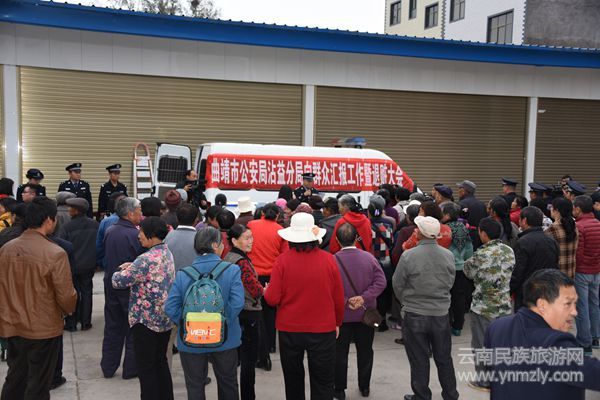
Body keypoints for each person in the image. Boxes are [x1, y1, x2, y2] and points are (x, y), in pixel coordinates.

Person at [0, 197, 77, 400]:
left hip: (13, 324)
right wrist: (69, 308)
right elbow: (66, 296)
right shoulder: (55, 253)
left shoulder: (7, 249)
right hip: (43, 327)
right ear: (49, 220)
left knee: (15, 377)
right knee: (39, 383)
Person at [264, 212, 345, 400]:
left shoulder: (282, 261)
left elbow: (272, 299)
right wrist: (337, 322)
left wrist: (267, 291)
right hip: (323, 328)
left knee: (293, 380)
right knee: (323, 381)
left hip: (290, 329)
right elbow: (338, 297)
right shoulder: (329, 260)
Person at [485, 269, 600, 399]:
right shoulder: (556, 344)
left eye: (575, 304)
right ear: (542, 305)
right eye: (568, 304)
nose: (574, 312)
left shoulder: (496, 327)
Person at [165, 227, 244, 400]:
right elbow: (238, 302)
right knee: (228, 384)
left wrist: (189, 322)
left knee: (195, 386)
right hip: (225, 339)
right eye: (221, 243)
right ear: (215, 245)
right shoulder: (231, 270)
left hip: (191, 339)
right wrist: (220, 322)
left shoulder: (183, 274)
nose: (223, 246)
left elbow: (170, 307)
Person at [392, 216, 459, 400]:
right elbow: (450, 281)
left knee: (419, 359)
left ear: (420, 233)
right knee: (444, 358)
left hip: (414, 312)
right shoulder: (448, 255)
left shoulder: (408, 256)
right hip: (440, 313)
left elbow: (397, 284)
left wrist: (406, 301)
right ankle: (451, 395)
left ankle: (421, 395)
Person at [112, 217, 175, 400]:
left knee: (146, 368)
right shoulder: (166, 252)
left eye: (141, 231)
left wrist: (120, 270)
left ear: (151, 235)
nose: (138, 235)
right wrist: (133, 266)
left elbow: (118, 281)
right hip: (165, 318)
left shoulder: (145, 259)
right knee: (160, 362)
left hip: (145, 321)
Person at [333, 223, 386, 399]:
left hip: (341, 316)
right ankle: (364, 386)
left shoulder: (332, 260)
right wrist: (364, 298)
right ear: (356, 238)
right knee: (365, 351)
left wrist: (346, 301)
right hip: (366, 314)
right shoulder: (369, 258)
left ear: (337, 239)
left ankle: (339, 389)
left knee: (340, 353)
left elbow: (328, 288)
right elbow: (381, 282)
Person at [462, 217, 515, 392]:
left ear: (483, 234)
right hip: (504, 305)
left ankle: (484, 381)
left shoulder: (481, 254)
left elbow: (468, 272)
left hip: (483, 307)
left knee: (481, 344)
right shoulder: (509, 250)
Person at [101, 197, 144, 380]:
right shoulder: (135, 235)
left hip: (111, 283)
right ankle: (130, 369)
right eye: (139, 210)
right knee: (132, 328)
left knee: (112, 326)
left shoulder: (110, 230)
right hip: (129, 287)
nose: (141, 214)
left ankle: (108, 366)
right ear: (130, 213)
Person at [223, 224, 264, 400]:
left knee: (233, 360)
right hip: (248, 314)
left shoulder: (228, 258)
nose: (251, 241)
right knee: (248, 361)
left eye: (251, 237)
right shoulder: (241, 262)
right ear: (234, 240)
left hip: (234, 313)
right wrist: (264, 290)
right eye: (247, 238)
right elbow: (254, 289)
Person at [247, 203, 288, 370]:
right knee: (270, 311)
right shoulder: (280, 231)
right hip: (272, 274)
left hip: (253, 273)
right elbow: (284, 255)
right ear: (277, 216)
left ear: (262, 213)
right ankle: (271, 344)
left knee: (255, 311)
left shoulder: (251, 225)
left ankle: (257, 346)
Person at [59, 197, 99, 332]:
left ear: (76, 211)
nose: (68, 210)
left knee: (73, 293)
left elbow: (62, 246)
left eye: (70, 208)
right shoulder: (95, 224)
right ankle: (86, 322)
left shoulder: (67, 227)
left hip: (73, 265)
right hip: (89, 265)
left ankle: (71, 323)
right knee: (87, 292)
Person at [510, 206, 559, 310]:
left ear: (524, 220)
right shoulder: (551, 240)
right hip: (546, 290)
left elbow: (518, 271)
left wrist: (510, 290)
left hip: (526, 292)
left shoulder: (522, 242)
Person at [440, 202, 474, 337]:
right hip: (460, 268)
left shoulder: (444, 229)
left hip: (446, 268)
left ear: (447, 215)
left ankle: (446, 324)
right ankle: (458, 327)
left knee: (445, 297)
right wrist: (465, 261)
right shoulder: (463, 227)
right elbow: (469, 248)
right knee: (459, 298)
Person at [572, 195, 600, 354]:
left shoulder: (579, 227)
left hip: (582, 271)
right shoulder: (598, 224)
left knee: (582, 307)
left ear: (578, 209)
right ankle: (595, 337)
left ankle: (584, 342)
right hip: (597, 271)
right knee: (594, 304)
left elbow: (579, 254)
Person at [367, 200, 394, 332]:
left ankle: (371, 321)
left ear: (369, 212)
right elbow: (391, 242)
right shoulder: (388, 224)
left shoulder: (366, 225)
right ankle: (382, 322)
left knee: (371, 293)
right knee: (383, 293)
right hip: (385, 262)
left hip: (370, 262)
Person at [546, 198, 579, 279]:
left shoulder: (553, 228)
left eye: (551, 207)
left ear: (556, 210)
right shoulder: (574, 226)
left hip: (557, 275)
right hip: (571, 271)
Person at [96, 193, 127, 269]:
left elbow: (99, 245)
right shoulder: (134, 220)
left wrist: (102, 262)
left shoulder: (105, 221)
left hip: (109, 262)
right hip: (128, 264)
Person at [456, 180, 487, 246]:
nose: (458, 191)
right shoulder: (482, 205)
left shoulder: (461, 204)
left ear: (463, 190)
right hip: (480, 239)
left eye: (459, 188)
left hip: (465, 239)